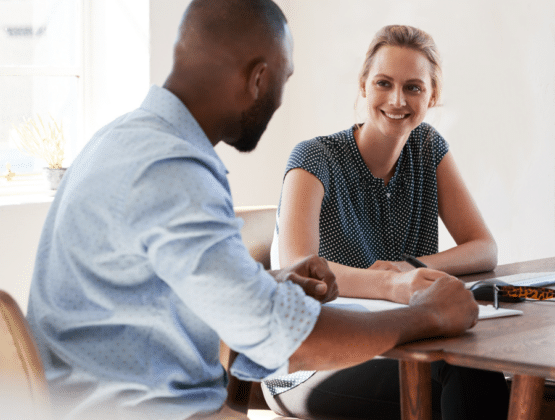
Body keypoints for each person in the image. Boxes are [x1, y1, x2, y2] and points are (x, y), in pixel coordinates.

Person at [26, 4, 479, 420]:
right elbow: (287, 339)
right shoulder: (172, 170)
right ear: (258, 79)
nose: (280, 100)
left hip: (113, 400)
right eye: (284, 79)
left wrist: (262, 285)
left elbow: (158, 296)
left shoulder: (130, 140)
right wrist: (427, 315)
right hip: (140, 411)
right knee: (464, 376)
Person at [264, 25, 509, 419]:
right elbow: (297, 268)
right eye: (384, 83)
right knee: (461, 376)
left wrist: (411, 269)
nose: (398, 100)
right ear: (363, 86)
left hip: (400, 341)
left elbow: (484, 247)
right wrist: (393, 284)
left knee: (479, 368)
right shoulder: (314, 158)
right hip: (306, 362)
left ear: (433, 96)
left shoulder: (427, 147)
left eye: (414, 87)